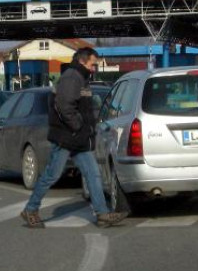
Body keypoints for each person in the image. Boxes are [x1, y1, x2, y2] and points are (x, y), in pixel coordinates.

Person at [20, 47, 127, 228]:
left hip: (78, 138)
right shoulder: (72, 77)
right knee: (52, 175)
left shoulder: (80, 77)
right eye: (93, 64)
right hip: (67, 137)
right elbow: (65, 106)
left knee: (93, 174)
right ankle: (30, 209)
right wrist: (78, 126)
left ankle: (102, 215)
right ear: (83, 61)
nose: (94, 68)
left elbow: (79, 107)